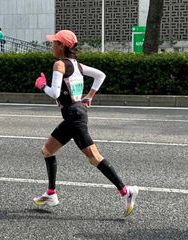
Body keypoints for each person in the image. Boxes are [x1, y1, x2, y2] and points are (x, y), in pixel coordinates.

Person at [32, 30, 139, 217]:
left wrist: (41, 84)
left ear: (62, 46)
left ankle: (126, 191)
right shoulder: (77, 65)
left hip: (74, 117)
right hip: (75, 114)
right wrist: (89, 96)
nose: (51, 46)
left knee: (94, 157)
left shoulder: (60, 64)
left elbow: (55, 93)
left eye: (54, 43)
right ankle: (51, 194)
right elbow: (101, 75)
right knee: (47, 150)